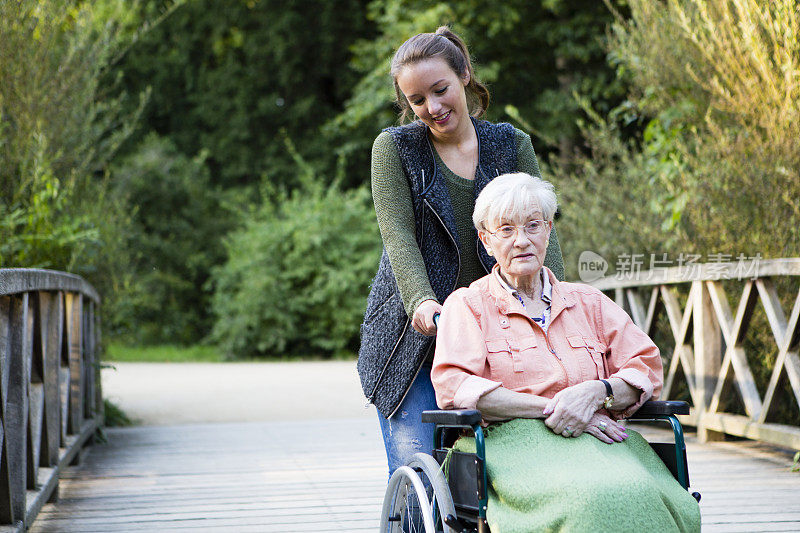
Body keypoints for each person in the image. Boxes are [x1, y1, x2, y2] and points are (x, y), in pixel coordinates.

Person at [431, 172, 701, 532]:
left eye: (532, 226)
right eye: (506, 230)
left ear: (548, 230)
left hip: (603, 442)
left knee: (645, 493)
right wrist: (559, 409)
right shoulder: (467, 306)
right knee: (587, 501)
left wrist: (596, 393)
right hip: (511, 449)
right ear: (486, 240)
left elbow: (646, 368)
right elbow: (454, 387)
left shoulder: (588, 302)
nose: (522, 240)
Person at [356, 26, 565, 478]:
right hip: (416, 338)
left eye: (440, 90)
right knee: (422, 473)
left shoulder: (511, 144)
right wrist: (422, 302)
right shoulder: (395, 149)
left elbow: (545, 233)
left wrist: (563, 306)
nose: (432, 108)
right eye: (416, 100)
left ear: (465, 76)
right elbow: (398, 239)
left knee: (500, 477)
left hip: (502, 335)